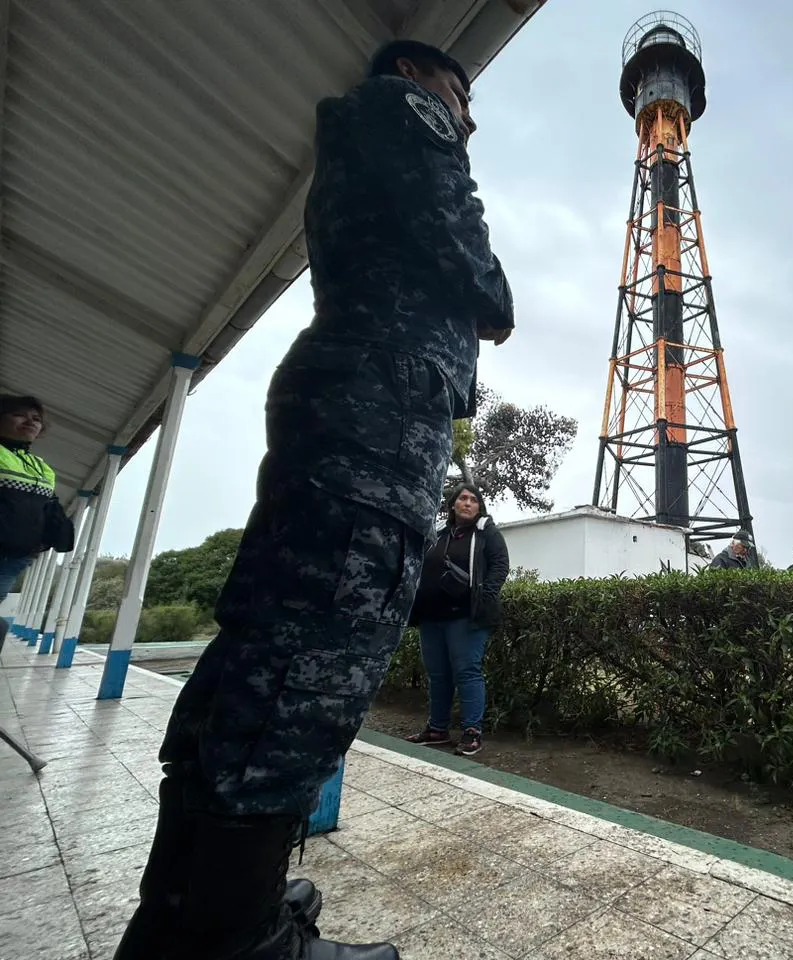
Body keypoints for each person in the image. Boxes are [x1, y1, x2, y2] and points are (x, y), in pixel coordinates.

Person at [114, 41, 515, 960]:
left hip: (358, 411)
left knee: (268, 653)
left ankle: (188, 910)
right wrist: (492, 293)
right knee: (308, 672)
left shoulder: (365, 144)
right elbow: (483, 280)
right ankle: (236, 938)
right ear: (416, 77)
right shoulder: (406, 116)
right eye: (460, 95)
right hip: (375, 424)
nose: (469, 117)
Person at [405, 484, 509, 756]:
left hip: (466, 617)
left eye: (474, 500)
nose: (468, 503)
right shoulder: (439, 532)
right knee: (438, 674)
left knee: (467, 672)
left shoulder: (486, 532)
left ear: (479, 507)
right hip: (431, 616)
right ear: (453, 504)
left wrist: (484, 597)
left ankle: (472, 732)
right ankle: (437, 729)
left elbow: (500, 565)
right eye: (462, 498)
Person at [0, 394, 75, 642]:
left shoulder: (41, 467)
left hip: (15, 558)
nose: (30, 422)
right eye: (19, 415)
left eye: (36, 419)